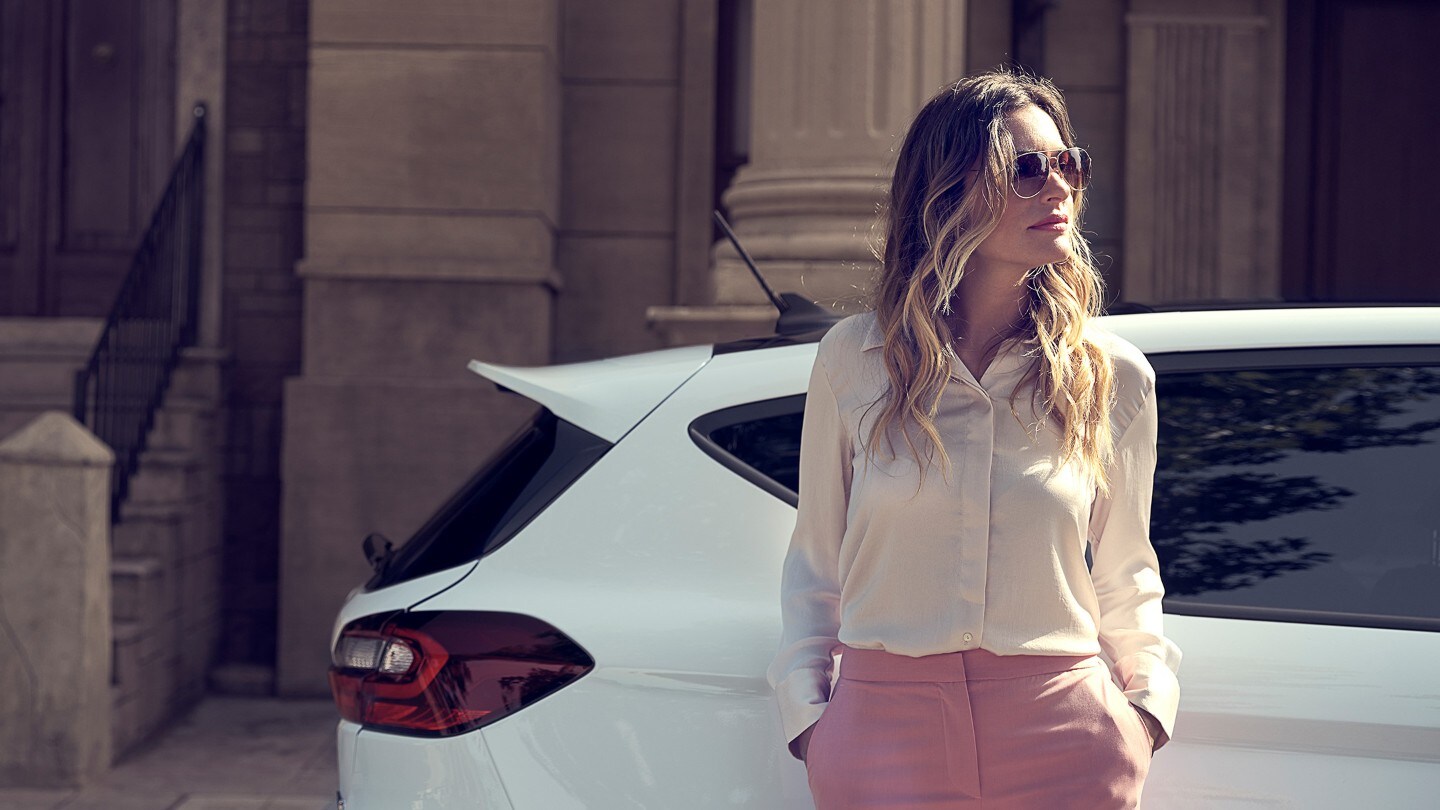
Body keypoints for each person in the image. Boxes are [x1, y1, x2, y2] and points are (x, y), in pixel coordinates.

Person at [766, 68, 1182, 808]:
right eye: (1027, 169)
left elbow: (1127, 573)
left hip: (1067, 738)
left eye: (1069, 165)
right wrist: (811, 722)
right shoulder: (856, 361)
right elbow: (815, 565)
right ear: (949, 193)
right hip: (882, 738)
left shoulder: (1110, 374)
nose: (1058, 188)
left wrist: (1143, 713)